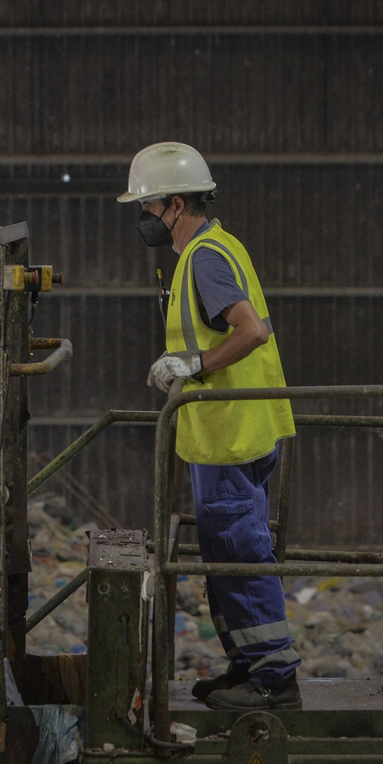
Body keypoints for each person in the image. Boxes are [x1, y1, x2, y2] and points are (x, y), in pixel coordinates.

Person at [118, 141, 302, 710]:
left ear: (176, 206)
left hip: (227, 434)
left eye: (148, 207)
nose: (143, 218)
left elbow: (251, 331)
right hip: (234, 427)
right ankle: (247, 665)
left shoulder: (204, 258)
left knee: (238, 554)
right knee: (226, 551)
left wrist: (191, 365)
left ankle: (274, 678)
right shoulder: (214, 249)